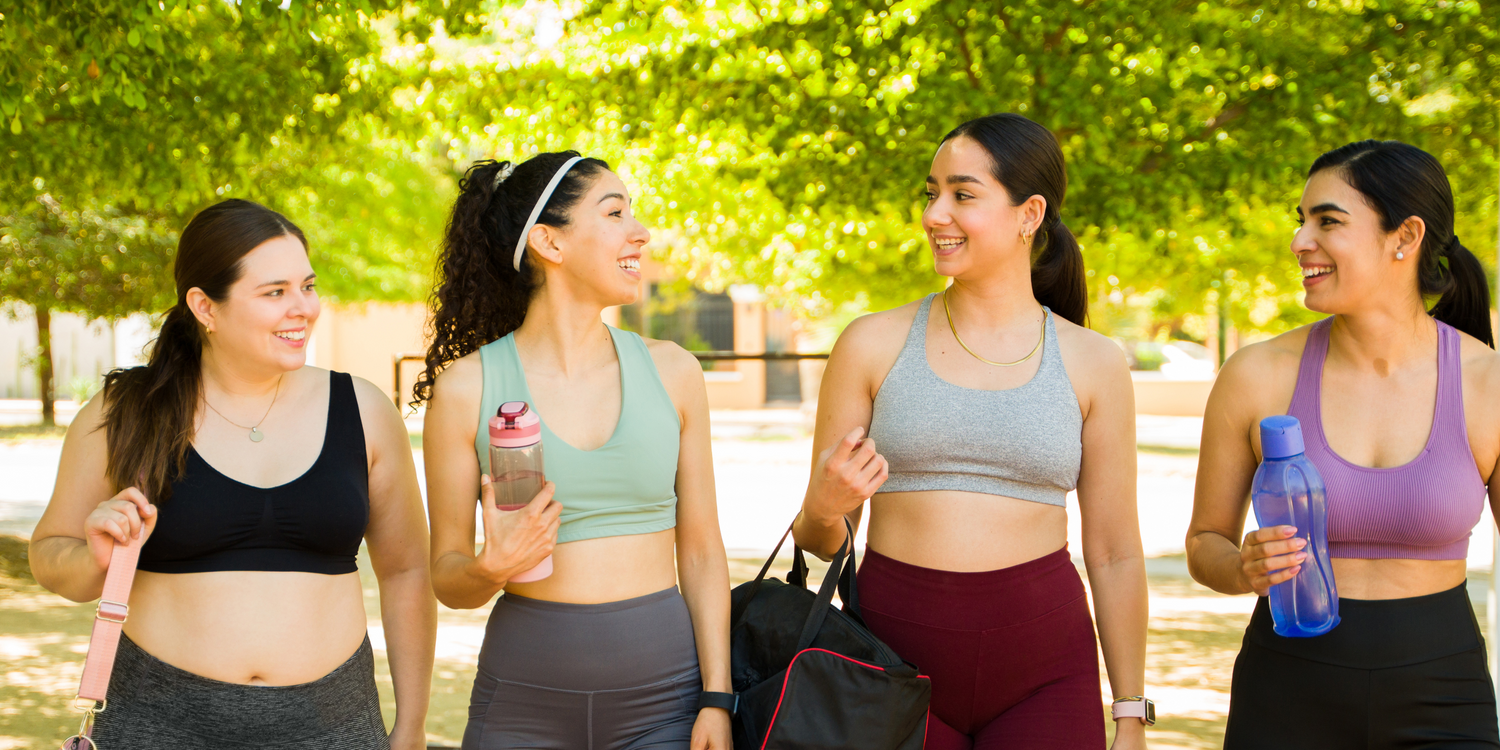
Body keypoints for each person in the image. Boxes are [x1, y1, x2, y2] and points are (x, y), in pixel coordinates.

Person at [792, 113, 1150, 750]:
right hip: (889, 670)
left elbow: (1116, 552)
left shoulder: (1094, 361)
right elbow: (821, 541)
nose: (935, 215)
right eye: (931, 193)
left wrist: (1130, 714)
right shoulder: (870, 344)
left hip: (1046, 676)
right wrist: (822, 506)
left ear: (1029, 214)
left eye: (962, 194)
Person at [29, 199, 436, 749]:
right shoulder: (124, 411)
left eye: (307, 287)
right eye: (275, 293)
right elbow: (50, 555)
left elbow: (407, 571)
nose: (304, 308)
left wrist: (411, 725)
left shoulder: (364, 411)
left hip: (334, 726)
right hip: (159, 727)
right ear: (205, 306)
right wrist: (93, 558)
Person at [1186, 140, 1500, 749]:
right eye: (1301, 220)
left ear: (1405, 237)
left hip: (1444, 699)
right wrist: (1242, 567)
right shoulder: (1257, 375)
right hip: (1285, 695)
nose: (1300, 241)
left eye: (1327, 221)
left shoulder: (1486, 383)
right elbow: (1205, 541)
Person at [415, 151, 733, 750]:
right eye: (614, 213)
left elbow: (701, 553)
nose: (640, 232)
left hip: (665, 706)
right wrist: (490, 567)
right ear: (549, 242)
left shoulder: (674, 372)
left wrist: (718, 696)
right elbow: (448, 580)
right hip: (522, 706)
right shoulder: (466, 389)